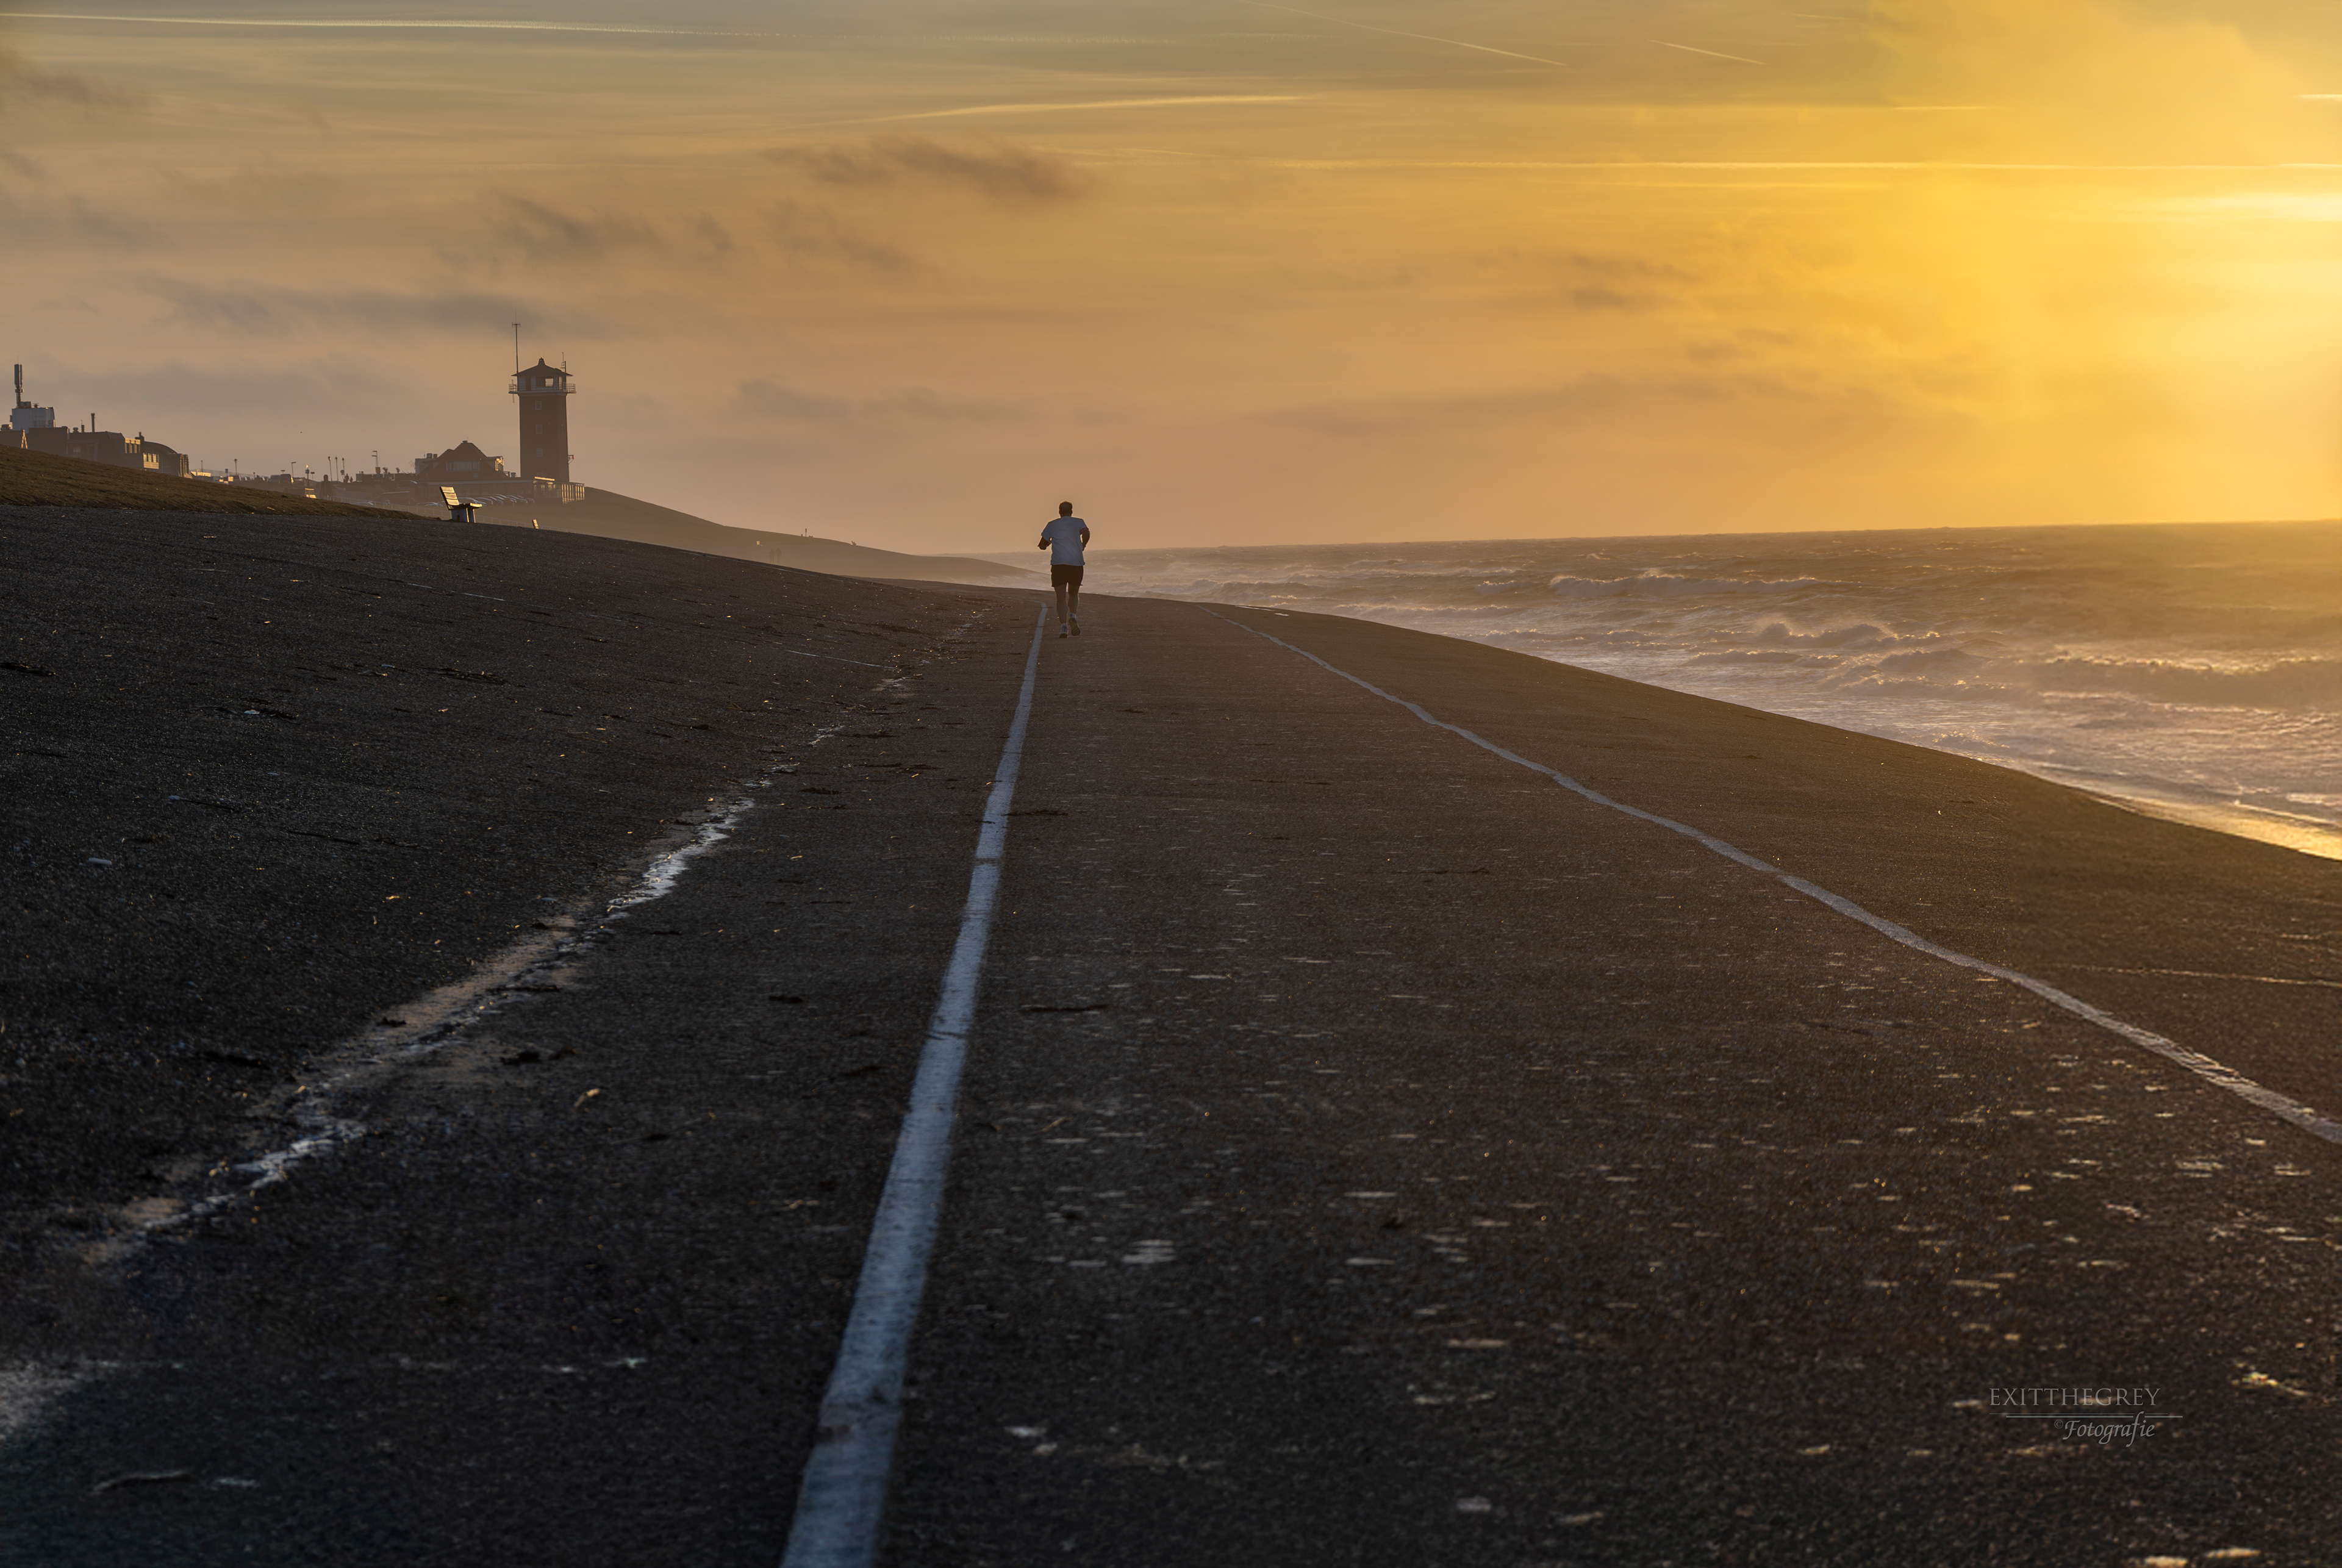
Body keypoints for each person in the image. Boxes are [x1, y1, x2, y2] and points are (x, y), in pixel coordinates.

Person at [1037, 501, 1090, 637]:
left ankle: (1063, 627)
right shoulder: (1079, 522)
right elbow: (1086, 532)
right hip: (1076, 563)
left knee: (1060, 597)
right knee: (1074, 593)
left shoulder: (1052, 525)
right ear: (1071, 512)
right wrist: (1083, 545)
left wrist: (1047, 544)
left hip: (1059, 564)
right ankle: (1073, 615)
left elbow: (1042, 545)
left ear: (1059, 512)